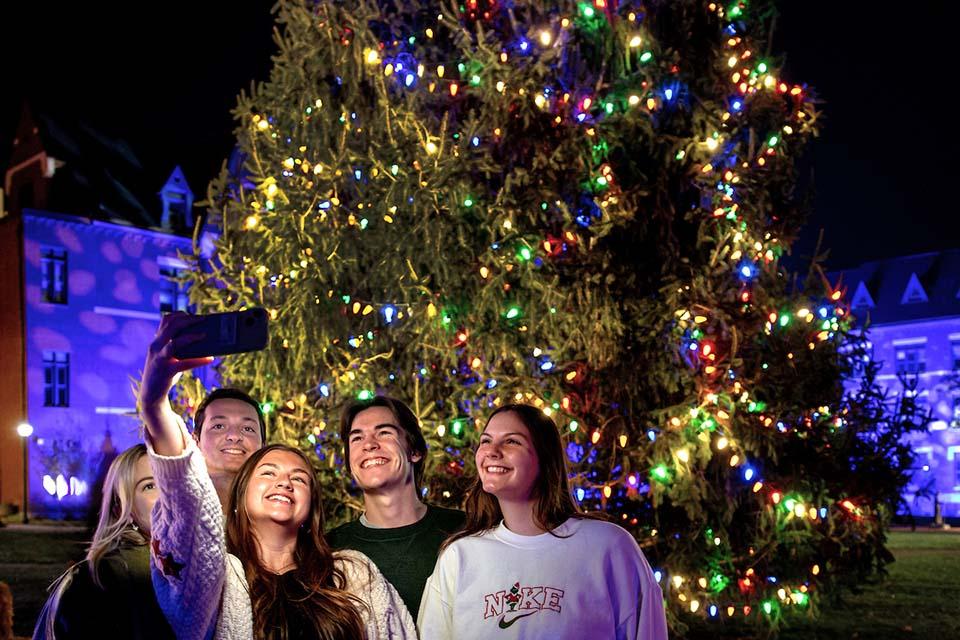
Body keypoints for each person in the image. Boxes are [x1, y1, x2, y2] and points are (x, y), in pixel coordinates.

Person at [140, 314, 416, 639]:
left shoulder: (352, 572)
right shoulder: (218, 576)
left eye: (299, 478)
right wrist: (154, 405)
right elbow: (186, 521)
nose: (284, 482)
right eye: (269, 472)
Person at [417, 404, 669, 640]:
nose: (492, 451)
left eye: (512, 441)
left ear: (544, 458)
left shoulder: (609, 547)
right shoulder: (460, 556)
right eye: (486, 441)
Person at [327, 396, 465, 616]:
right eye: (357, 438)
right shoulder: (330, 551)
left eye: (384, 433)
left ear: (415, 451)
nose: (369, 445)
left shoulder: (465, 531)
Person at [33, 444, 175, 640]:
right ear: (121, 509)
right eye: (150, 486)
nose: (167, 494)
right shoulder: (110, 575)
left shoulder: (194, 564)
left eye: (172, 482)